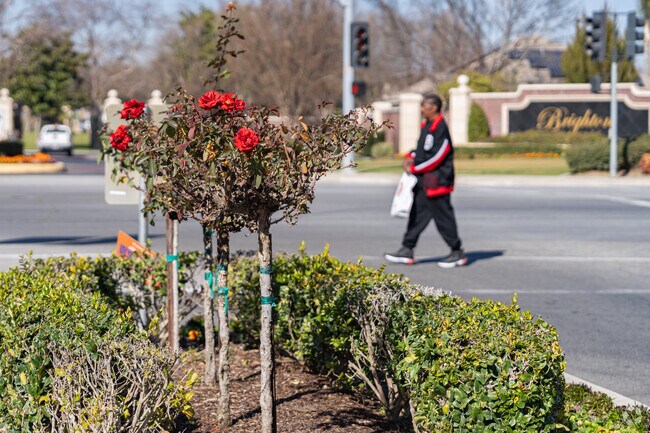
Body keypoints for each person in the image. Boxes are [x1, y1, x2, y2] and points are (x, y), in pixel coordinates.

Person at [384, 93, 467, 268]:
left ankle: (457, 252)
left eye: (424, 106)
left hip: (438, 183)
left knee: (444, 218)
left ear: (434, 108)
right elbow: (422, 151)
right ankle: (407, 249)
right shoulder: (426, 125)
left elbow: (438, 156)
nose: (421, 109)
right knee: (416, 215)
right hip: (424, 182)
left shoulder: (440, 128)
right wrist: (411, 156)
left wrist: (414, 168)